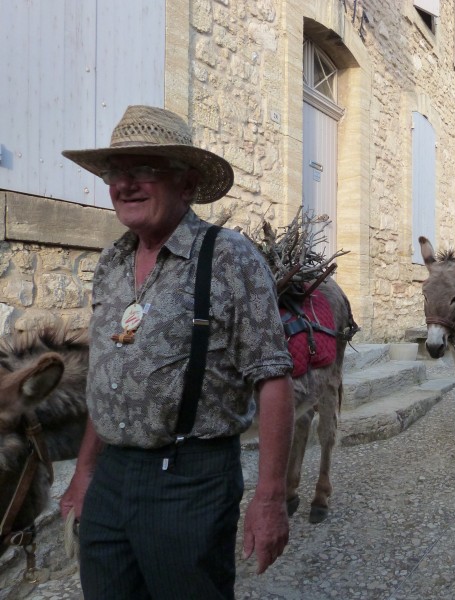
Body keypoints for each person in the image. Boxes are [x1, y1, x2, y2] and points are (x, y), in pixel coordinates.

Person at [59, 105, 295, 599]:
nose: (125, 184)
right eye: (115, 172)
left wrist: (270, 497)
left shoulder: (229, 257)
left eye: (144, 169)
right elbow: (108, 373)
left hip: (191, 480)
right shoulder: (112, 261)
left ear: (186, 186)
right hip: (111, 479)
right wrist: (84, 472)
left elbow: (273, 378)